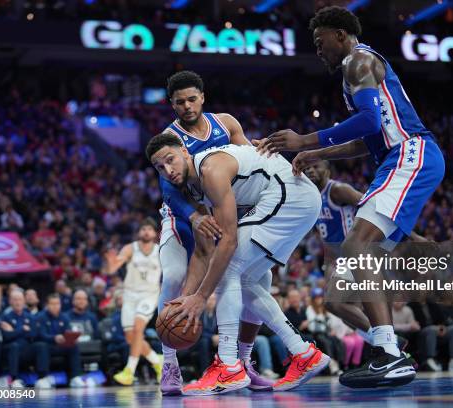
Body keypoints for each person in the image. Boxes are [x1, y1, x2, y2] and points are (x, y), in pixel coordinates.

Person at [253, 6, 446, 388]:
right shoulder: (355, 72)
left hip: (410, 154)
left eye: (320, 41)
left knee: (359, 246)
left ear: (340, 34)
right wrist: (317, 154)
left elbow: (371, 123)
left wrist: (305, 139)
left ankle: (389, 351)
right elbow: (367, 138)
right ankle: (388, 348)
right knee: (358, 261)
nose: (318, 50)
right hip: (394, 157)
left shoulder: (358, 61)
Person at [147, 135, 330, 395]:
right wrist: (187, 301)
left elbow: (229, 241)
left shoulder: (210, 170)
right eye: (159, 167)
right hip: (298, 200)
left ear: (185, 152)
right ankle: (303, 353)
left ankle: (229, 366)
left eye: (170, 160)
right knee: (242, 279)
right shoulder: (193, 187)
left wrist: (201, 297)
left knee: (227, 270)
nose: (168, 170)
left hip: (290, 195)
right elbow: (202, 252)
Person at [155, 70, 275, 395]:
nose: (187, 106)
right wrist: (193, 216)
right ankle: (169, 364)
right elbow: (168, 190)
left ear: (202, 97)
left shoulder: (226, 123)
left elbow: (249, 161)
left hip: (225, 216)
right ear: (172, 104)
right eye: (179, 102)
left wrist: (265, 150)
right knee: (175, 275)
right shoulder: (171, 138)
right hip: (185, 218)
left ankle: (243, 363)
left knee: (261, 282)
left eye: (192, 99)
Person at [104, 218, 163, 385]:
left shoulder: (160, 251)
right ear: (139, 232)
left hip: (149, 296)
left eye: (149, 229)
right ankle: (157, 361)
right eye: (143, 229)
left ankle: (129, 371)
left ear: (155, 233)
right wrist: (110, 262)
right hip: (130, 296)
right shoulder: (130, 248)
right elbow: (112, 269)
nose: (146, 232)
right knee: (131, 338)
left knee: (138, 329)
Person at [34, 294, 85, 389]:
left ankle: (75, 377)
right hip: (47, 345)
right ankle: (43, 378)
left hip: (60, 345)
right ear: (47, 305)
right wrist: (54, 338)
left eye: (57, 304)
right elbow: (41, 334)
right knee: (42, 346)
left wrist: (71, 338)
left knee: (73, 346)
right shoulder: (41, 317)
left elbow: (68, 331)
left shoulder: (64, 317)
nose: (55, 306)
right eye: (52, 304)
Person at [0, 290, 42, 388]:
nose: (17, 302)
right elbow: (6, 336)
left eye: (19, 300)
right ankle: (14, 379)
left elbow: (34, 334)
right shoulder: (5, 317)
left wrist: (14, 331)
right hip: (11, 348)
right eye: (14, 300)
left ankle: (42, 378)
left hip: (26, 347)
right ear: (10, 301)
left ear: (24, 301)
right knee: (14, 346)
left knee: (41, 346)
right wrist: (22, 330)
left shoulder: (30, 317)